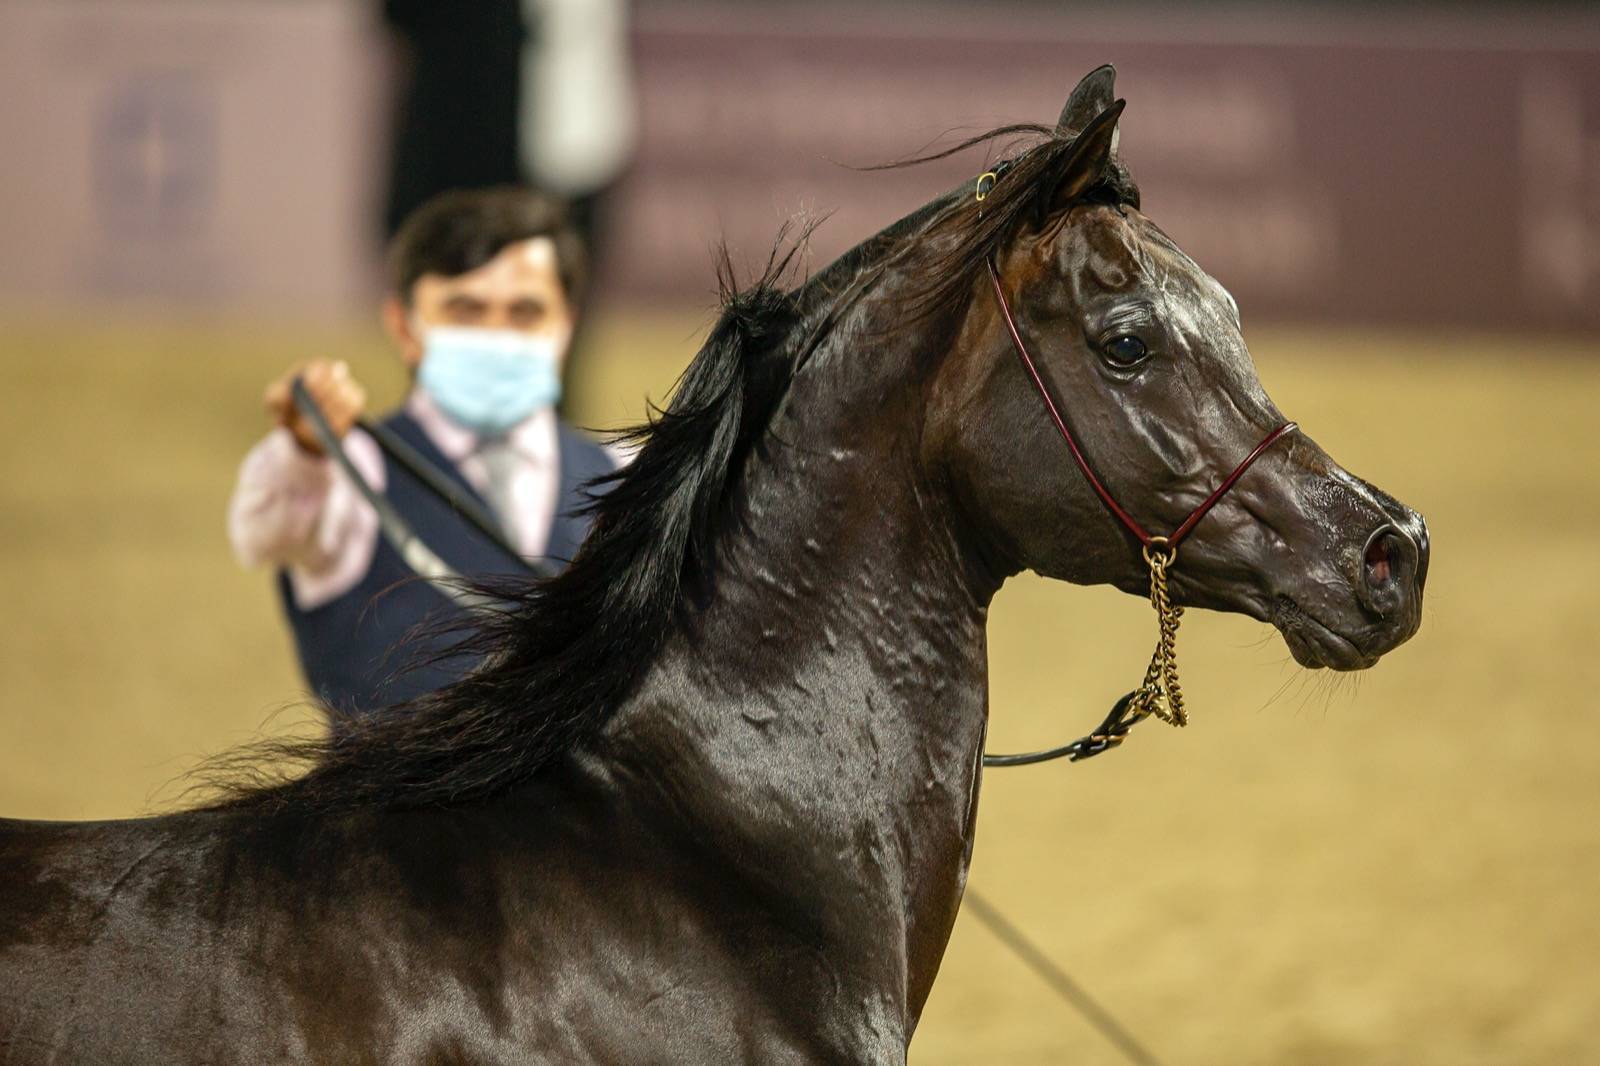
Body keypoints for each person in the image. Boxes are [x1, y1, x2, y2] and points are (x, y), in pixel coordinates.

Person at [228, 186, 620, 718]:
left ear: (567, 326)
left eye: (525, 311)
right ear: (403, 326)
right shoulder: (351, 471)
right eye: (466, 310)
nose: (497, 336)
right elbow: (263, 531)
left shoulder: (624, 476)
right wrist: (306, 449)